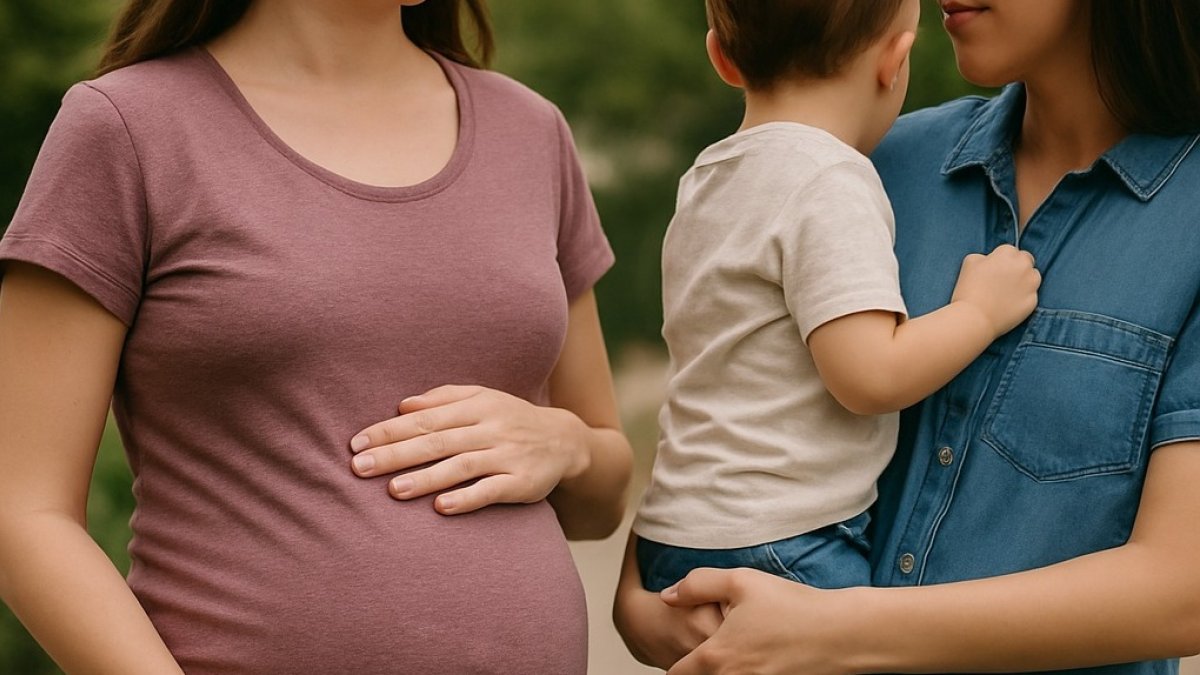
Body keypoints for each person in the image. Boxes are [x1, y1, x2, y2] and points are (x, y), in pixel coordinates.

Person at [0, 1, 633, 673]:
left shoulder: (532, 132)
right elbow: (22, 512)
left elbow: (603, 494)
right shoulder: (127, 128)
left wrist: (566, 447)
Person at [614, 0, 1200, 673]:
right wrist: (636, 601)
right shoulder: (861, 161)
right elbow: (730, 386)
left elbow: (1183, 587)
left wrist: (834, 629)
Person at [632, 0, 1039, 596]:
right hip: (783, 539)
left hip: (679, 530)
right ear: (894, 62)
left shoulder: (706, 177)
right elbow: (870, 376)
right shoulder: (828, 179)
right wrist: (977, 313)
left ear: (721, 57)